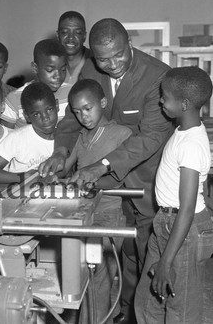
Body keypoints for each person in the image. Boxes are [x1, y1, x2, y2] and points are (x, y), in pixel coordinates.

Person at [39, 18, 174, 324]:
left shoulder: (156, 76)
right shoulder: (91, 69)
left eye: (119, 55)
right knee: (117, 252)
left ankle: (140, 315)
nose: (112, 64)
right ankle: (122, 312)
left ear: (130, 45)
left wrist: (100, 165)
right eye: (103, 58)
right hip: (102, 182)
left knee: (143, 250)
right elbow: (75, 115)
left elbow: (150, 137)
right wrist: (61, 150)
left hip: (144, 176)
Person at [134, 67, 213, 324]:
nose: (160, 100)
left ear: (184, 104)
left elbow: (188, 208)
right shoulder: (180, 131)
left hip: (184, 228)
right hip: (166, 222)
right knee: (148, 299)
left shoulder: (192, 144)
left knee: (181, 307)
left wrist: (166, 262)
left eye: (165, 96)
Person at [55, 79, 132, 323]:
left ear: (103, 103)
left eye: (88, 109)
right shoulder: (81, 137)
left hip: (109, 214)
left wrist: (90, 180)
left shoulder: (122, 134)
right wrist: (52, 168)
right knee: (82, 277)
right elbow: (65, 169)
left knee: (100, 276)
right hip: (82, 214)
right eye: (77, 112)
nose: (83, 116)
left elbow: (123, 177)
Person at [0, 82, 57, 184]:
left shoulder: (64, 137)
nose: (45, 118)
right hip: (17, 194)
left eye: (49, 110)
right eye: (36, 114)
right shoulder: (18, 138)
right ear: (27, 116)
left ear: (57, 106)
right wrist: (25, 176)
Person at [1, 39, 72, 129]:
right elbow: (5, 138)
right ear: (35, 68)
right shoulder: (14, 100)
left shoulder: (72, 94)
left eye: (63, 69)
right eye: (50, 70)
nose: (58, 76)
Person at [57, 11, 92, 84]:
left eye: (78, 32)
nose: (70, 38)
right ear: (58, 35)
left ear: (84, 36)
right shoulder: (51, 63)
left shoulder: (95, 62)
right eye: (65, 32)